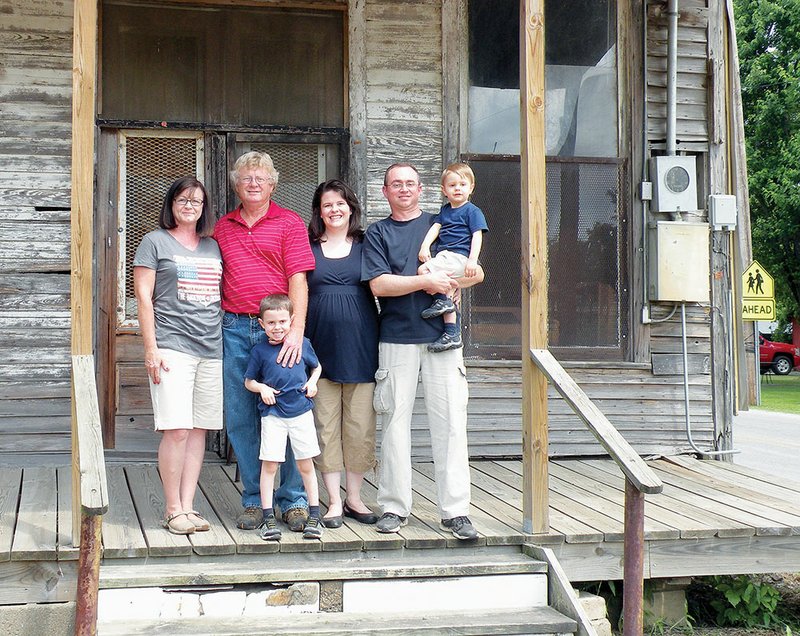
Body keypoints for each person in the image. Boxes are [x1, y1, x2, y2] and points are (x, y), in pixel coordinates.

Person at [362, 163, 483, 541]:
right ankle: (395, 507)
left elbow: (477, 273)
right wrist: (427, 281)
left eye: (410, 183)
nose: (403, 189)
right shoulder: (378, 233)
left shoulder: (443, 219)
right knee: (394, 424)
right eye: (395, 183)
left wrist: (456, 280)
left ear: (421, 189)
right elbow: (380, 285)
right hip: (396, 336)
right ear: (385, 191)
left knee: (450, 423)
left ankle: (455, 511)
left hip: (442, 338)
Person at [214, 151, 315, 532]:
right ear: (236, 184)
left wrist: (296, 331)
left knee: (289, 415)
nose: (253, 184)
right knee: (242, 416)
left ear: (273, 184)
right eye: (245, 178)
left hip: (280, 334)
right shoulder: (222, 227)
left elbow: (298, 282)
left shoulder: (289, 223)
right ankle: (256, 500)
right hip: (237, 329)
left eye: (260, 178)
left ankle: (294, 500)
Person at [133, 176, 222, 535]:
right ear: (171, 204)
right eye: (183, 200)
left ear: (204, 209)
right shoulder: (154, 242)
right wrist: (150, 348)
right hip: (172, 346)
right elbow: (143, 298)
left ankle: (188, 505)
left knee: (199, 430)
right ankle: (172, 509)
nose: (189, 206)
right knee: (177, 430)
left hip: (211, 348)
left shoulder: (212, 246)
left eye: (197, 201)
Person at [306, 180, 380, 528]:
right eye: (327, 205)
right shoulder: (308, 247)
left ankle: (354, 498)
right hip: (318, 349)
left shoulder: (367, 245)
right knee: (325, 426)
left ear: (351, 207)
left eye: (340, 203)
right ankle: (333, 500)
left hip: (361, 347)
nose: (334, 210)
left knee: (359, 426)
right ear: (319, 212)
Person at [244, 294, 323, 541]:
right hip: (273, 415)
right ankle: (268, 517)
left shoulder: (303, 344)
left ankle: (313, 514)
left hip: (301, 412)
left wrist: (312, 383)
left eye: (282, 322)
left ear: (292, 321)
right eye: (271, 323)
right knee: (270, 464)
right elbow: (249, 381)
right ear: (261, 324)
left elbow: (317, 366)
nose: (277, 328)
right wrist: (262, 389)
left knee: (305, 464)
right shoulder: (259, 351)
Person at [417, 162, 488, 352]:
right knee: (448, 290)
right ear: (444, 190)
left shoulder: (472, 211)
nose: (458, 188)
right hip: (446, 256)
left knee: (423, 270)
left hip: (459, 256)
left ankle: (443, 301)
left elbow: (477, 236)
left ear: (471, 187)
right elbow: (435, 228)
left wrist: (473, 260)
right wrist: (425, 246)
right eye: (452, 185)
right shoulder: (445, 211)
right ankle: (452, 333)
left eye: (463, 184)